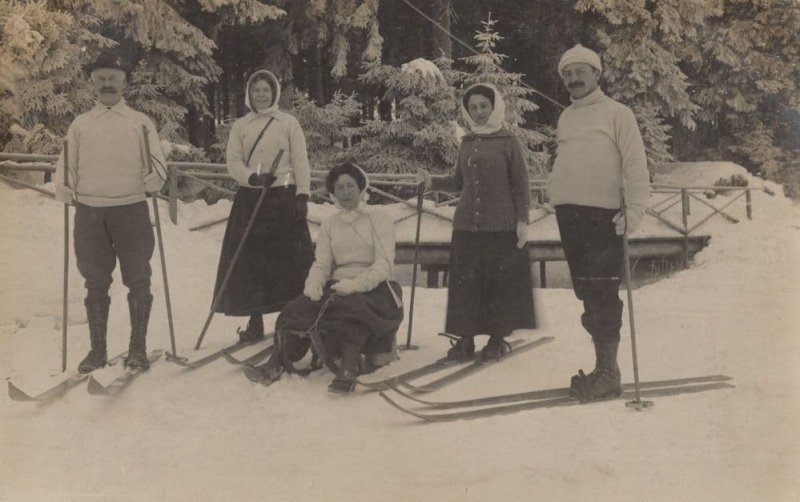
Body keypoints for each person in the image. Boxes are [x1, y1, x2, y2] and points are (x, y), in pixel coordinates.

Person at [547, 44, 650, 401]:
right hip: (569, 213)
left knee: (603, 290)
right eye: (568, 74)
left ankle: (610, 372)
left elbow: (636, 164)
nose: (574, 79)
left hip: (602, 215)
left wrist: (634, 210)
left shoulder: (618, 114)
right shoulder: (567, 116)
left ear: (596, 74)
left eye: (581, 72)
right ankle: (602, 367)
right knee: (587, 292)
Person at [245, 162, 404, 393]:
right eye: (340, 188)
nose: (346, 193)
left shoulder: (378, 218)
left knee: (353, 310)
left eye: (351, 186)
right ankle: (277, 362)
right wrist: (314, 283)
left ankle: (348, 368)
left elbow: (384, 263)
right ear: (333, 193)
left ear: (361, 187)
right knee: (296, 310)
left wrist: (356, 284)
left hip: (376, 287)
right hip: (338, 286)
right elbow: (322, 263)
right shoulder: (330, 223)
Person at [54, 51, 167, 372]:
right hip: (90, 212)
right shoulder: (81, 124)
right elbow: (67, 163)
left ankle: (137, 348)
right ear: (92, 83)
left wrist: (155, 177)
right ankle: (97, 350)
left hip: (131, 209)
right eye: (101, 79)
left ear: (124, 82)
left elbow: (158, 164)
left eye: (113, 79)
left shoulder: (140, 122)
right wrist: (64, 183)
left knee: (138, 279)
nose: (107, 84)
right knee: (95, 281)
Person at [419, 83, 535, 361]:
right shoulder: (467, 143)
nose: (479, 112)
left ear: (494, 107)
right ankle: (465, 339)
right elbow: (458, 181)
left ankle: (496, 339)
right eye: (473, 108)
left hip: (501, 227)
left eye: (484, 106)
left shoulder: (509, 141)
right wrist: (431, 181)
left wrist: (523, 220)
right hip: (466, 226)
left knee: (497, 284)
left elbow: (521, 184)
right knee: (465, 284)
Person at [212, 69, 313, 342]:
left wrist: (302, 194)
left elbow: (301, 160)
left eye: (265, 90)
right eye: (256, 90)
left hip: (284, 198)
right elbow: (233, 162)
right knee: (251, 262)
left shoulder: (288, 123)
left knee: (288, 261)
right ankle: (254, 321)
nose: (261, 95)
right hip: (251, 199)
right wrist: (252, 177)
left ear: (274, 93)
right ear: (249, 94)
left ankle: (291, 321)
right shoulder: (241, 126)